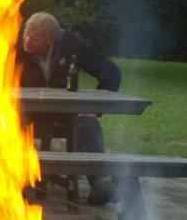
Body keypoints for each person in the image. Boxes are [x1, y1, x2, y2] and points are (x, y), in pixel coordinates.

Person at [17, 11, 122, 205]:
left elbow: (111, 72)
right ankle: (16, 180)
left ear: (50, 41)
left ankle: (100, 182)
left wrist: (95, 109)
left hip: (62, 114)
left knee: (87, 123)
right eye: (26, 34)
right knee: (10, 125)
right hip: (27, 114)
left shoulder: (71, 45)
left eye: (34, 38)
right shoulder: (13, 46)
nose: (27, 40)